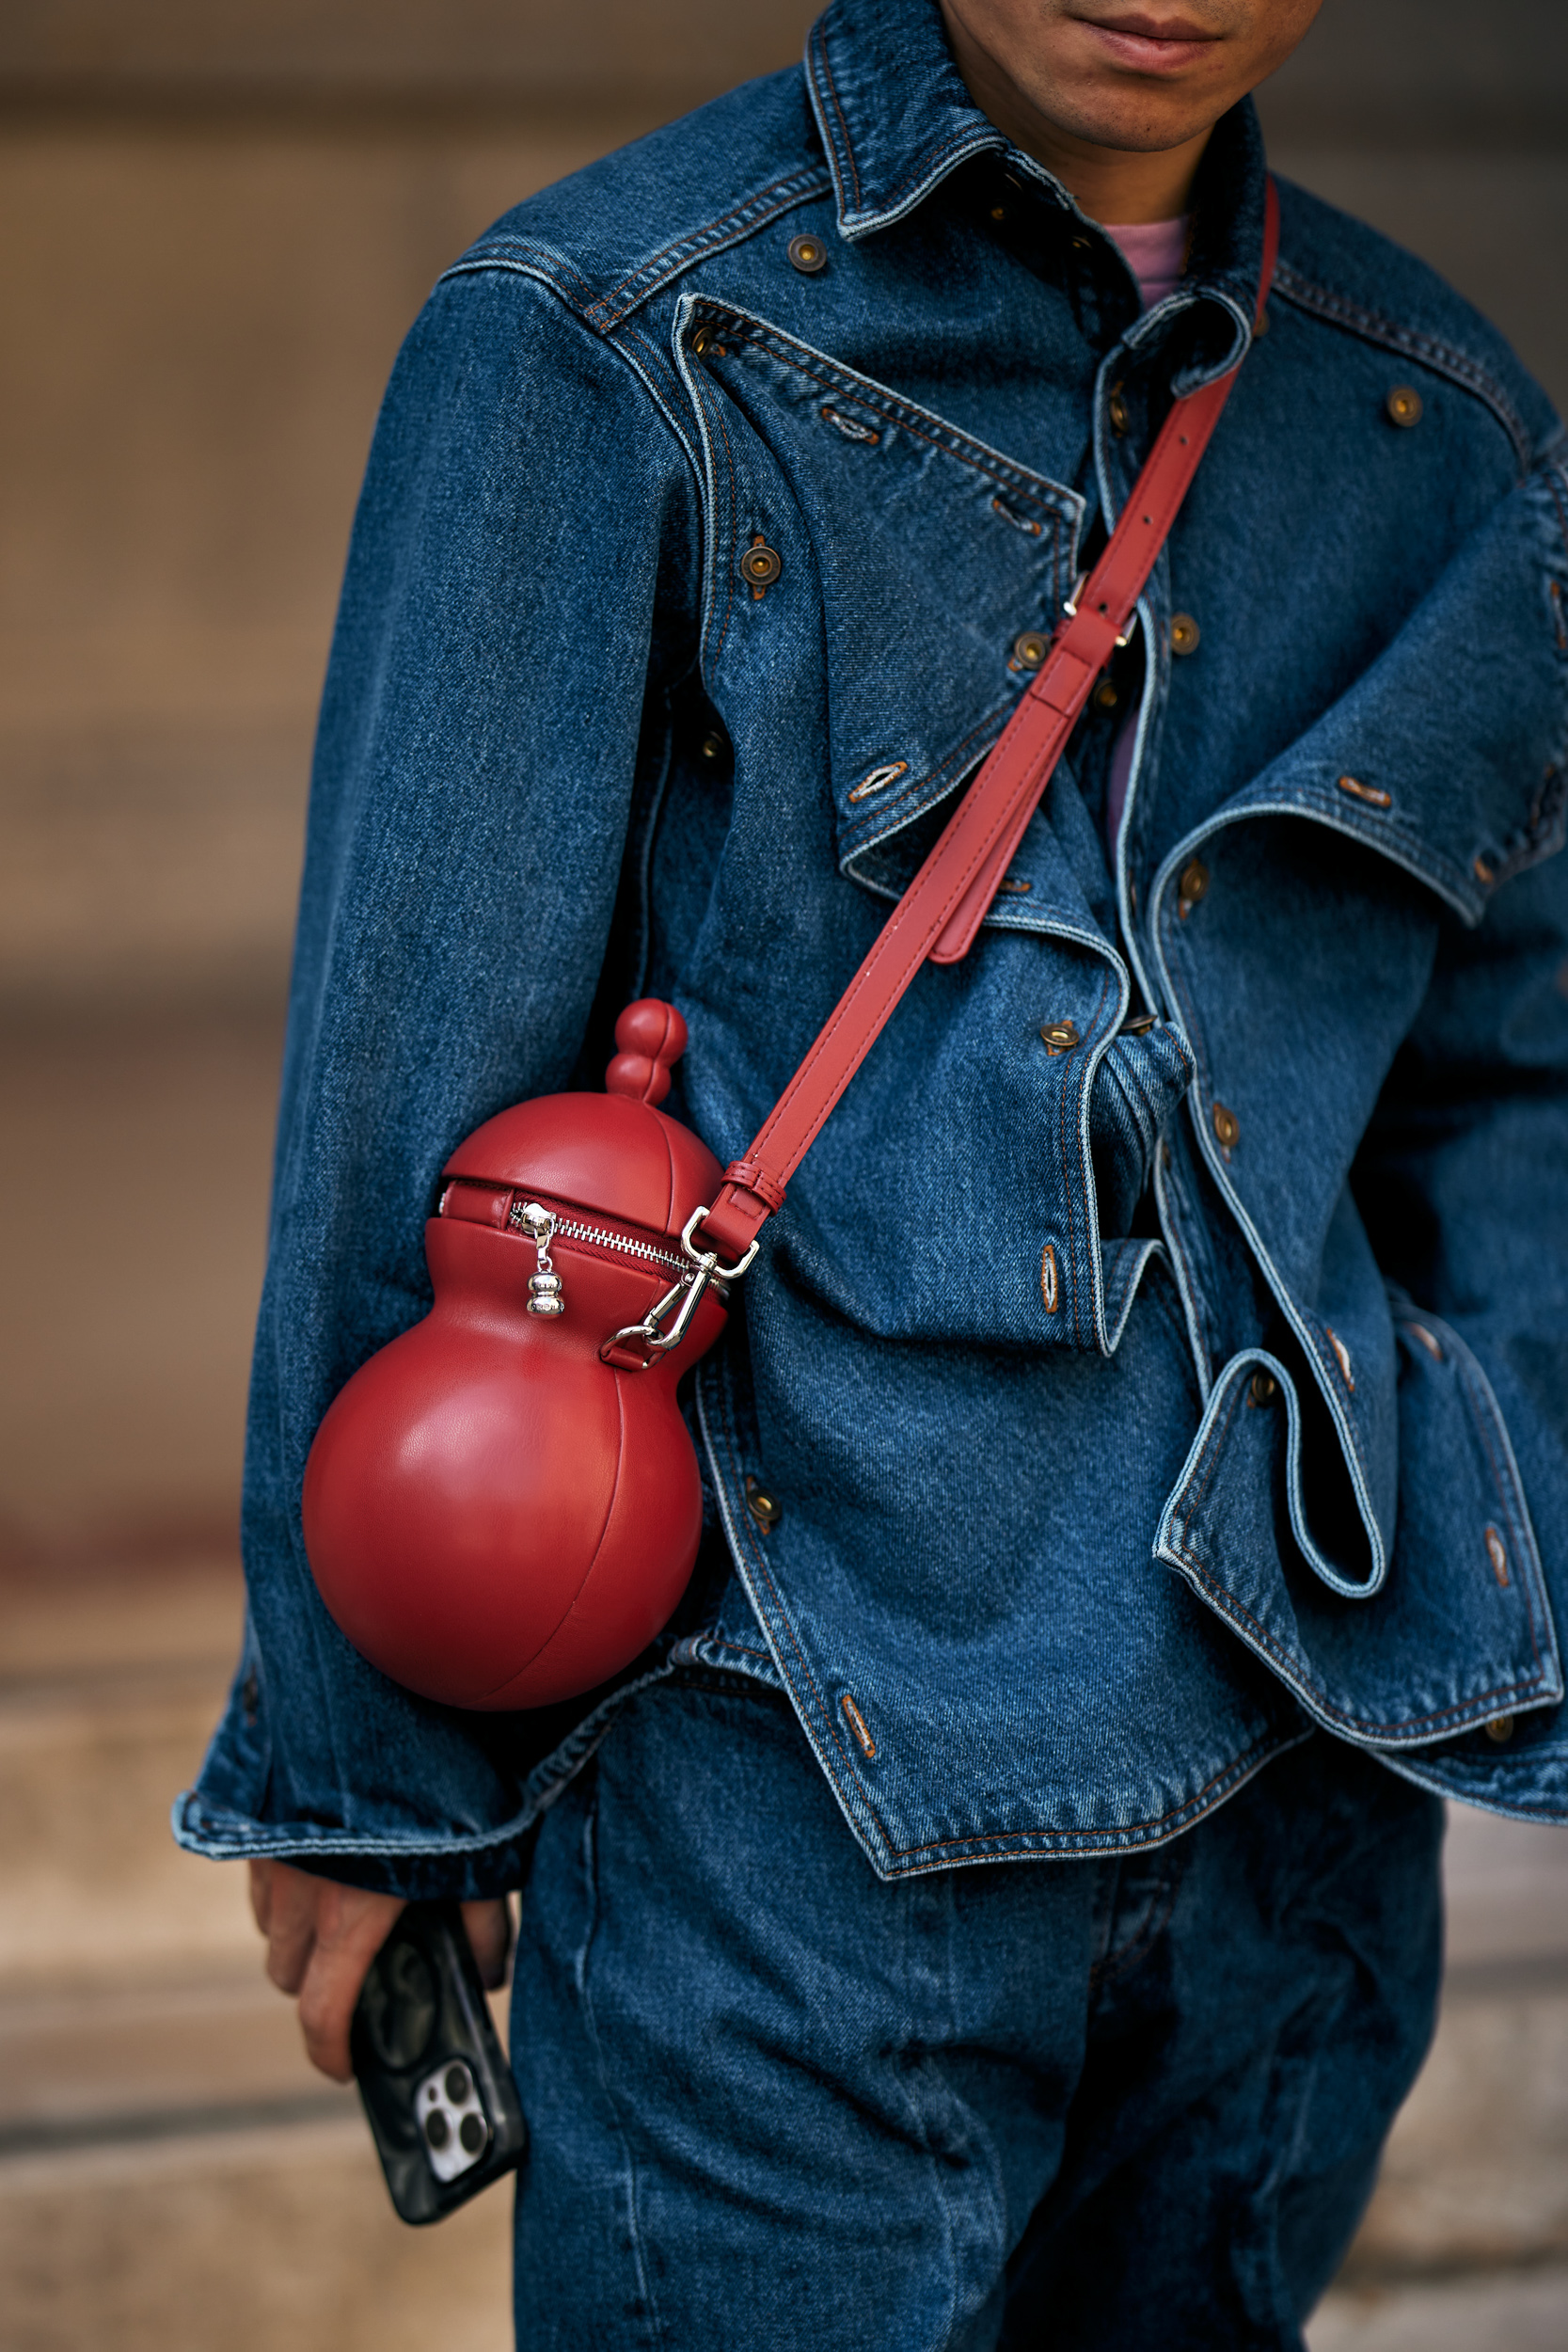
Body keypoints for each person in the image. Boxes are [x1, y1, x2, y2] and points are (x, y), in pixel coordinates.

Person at [177, 1, 1568, 2342]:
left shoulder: (1439, 425)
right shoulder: (605, 336)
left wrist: (1477, 1531)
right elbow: (410, 1106)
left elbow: (1513, 1074)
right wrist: (365, 1770)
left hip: (1296, 1827)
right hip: (786, 1817)